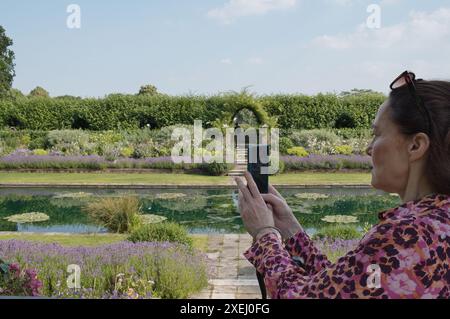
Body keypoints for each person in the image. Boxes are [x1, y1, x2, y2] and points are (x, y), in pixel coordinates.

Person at [235, 71, 450, 299]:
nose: (369, 148)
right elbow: (344, 288)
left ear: (415, 146)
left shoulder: (408, 236)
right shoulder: (438, 222)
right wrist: (290, 230)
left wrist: (264, 233)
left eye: (377, 134)